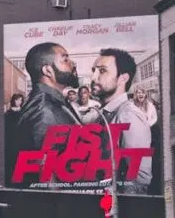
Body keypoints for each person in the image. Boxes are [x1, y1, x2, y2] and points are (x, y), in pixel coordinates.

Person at [12, 42, 82, 184]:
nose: (73, 64)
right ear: (48, 71)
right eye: (65, 59)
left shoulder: (55, 102)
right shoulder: (43, 111)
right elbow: (46, 180)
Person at [90, 48, 152, 193]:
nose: (93, 77)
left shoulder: (129, 115)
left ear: (123, 78)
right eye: (93, 70)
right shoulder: (105, 112)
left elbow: (138, 181)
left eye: (102, 71)